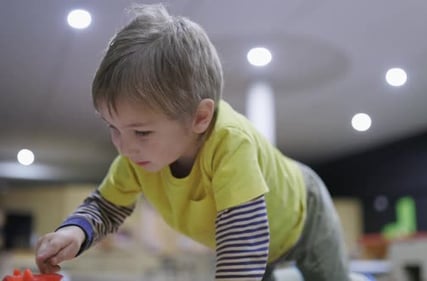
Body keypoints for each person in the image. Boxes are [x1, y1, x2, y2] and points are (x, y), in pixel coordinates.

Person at [35, 3, 351, 281]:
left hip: (304, 217)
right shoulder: (137, 158)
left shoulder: (230, 144)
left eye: (141, 132)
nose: (124, 146)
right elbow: (106, 206)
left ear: (200, 118)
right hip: (257, 244)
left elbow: (242, 244)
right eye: (113, 128)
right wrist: (73, 232)